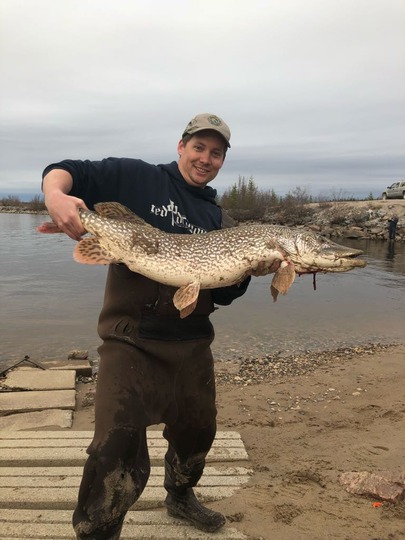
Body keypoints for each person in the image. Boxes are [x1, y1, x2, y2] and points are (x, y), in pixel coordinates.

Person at [41, 113, 277, 540]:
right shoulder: (139, 178)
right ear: (181, 146)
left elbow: (222, 295)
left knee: (198, 432)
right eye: (199, 147)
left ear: (223, 160)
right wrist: (55, 195)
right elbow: (68, 170)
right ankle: (97, 531)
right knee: (115, 446)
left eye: (216, 153)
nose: (205, 159)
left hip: (190, 343)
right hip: (130, 340)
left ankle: (180, 496)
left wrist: (248, 272)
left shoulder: (219, 220)